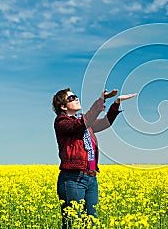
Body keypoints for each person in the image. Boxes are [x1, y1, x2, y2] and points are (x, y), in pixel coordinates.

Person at [52, 88, 137, 228]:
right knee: (73, 223)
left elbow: (106, 122)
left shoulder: (83, 122)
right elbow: (83, 123)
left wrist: (116, 102)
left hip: (91, 178)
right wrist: (101, 100)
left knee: (91, 222)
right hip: (73, 179)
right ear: (63, 106)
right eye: (72, 98)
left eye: (76, 96)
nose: (76, 98)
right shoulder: (62, 122)